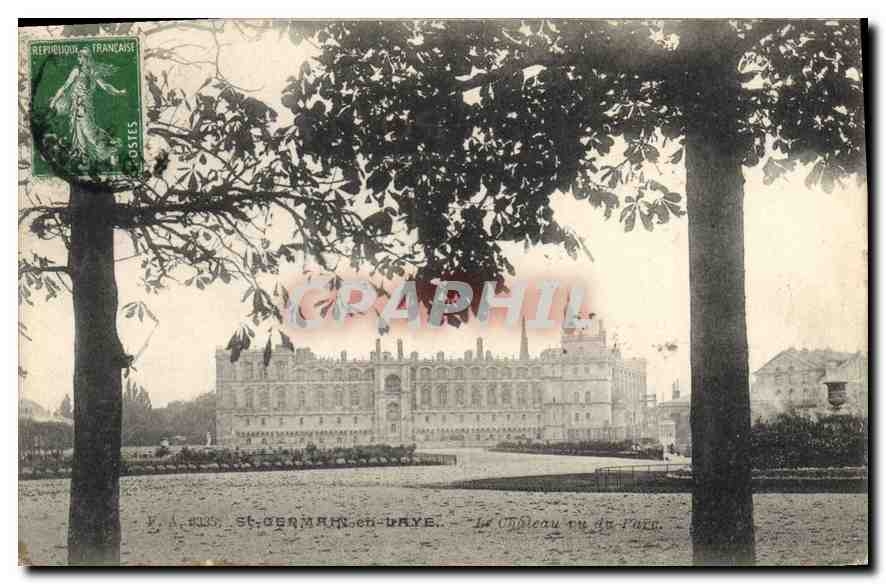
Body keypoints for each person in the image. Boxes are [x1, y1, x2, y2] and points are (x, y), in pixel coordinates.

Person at [48, 47, 126, 169]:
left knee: (90, 133)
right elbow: (65, 86)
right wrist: (54, 100)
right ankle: (85, 161)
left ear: (87, 58)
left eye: (81, 56)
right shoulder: (76, 71)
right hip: (75, 107)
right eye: (78, 56)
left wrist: (117, 92)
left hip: (85, 107)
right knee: (79, 136)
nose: (78, 59)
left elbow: (105, 86)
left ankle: (112, 149)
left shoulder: (93, 72)